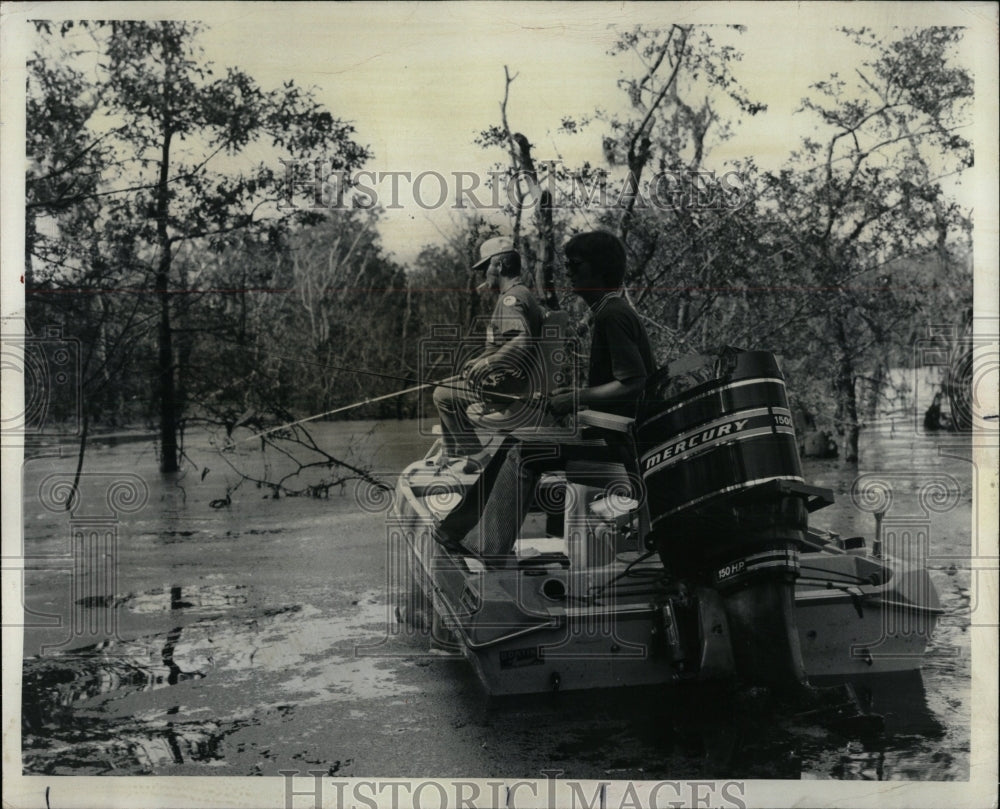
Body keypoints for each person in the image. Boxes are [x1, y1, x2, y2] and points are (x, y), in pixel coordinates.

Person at [435, 230, 656, 559]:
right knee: (517, 442)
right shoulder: (611, 310)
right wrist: (571, 395)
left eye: (575, 265)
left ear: (598, 269)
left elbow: (634, 382)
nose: (569, 272)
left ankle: (486, 547)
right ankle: (457, 532)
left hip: (621, 445)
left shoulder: (612, 315)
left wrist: (573, 399)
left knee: (524, 452)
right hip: (611, 433)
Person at [432, 236, 545, 472]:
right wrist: (480, 360)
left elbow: (521, 340)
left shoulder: (510, 299)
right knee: (445, 385)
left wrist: (490, 361)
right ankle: (453, 453)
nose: (485, 275)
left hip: (509, 389)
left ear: (500, 266)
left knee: (442, 395)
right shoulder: (522, 294)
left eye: (486, 268)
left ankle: (478, 458)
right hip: (513, 383)